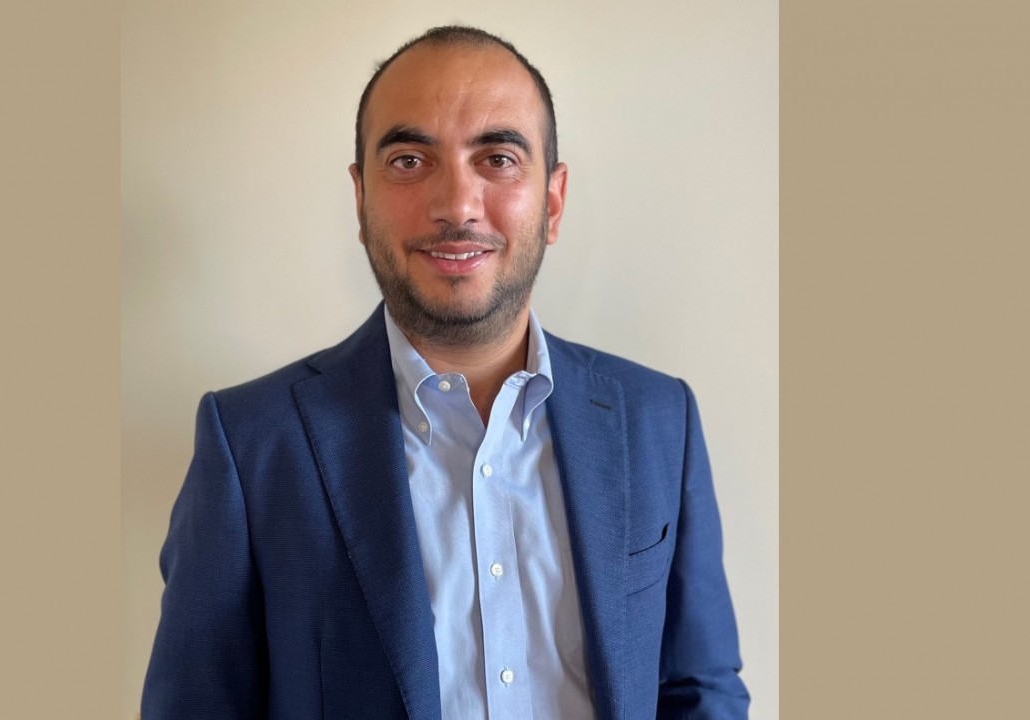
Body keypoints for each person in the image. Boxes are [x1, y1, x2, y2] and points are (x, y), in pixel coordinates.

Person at [142, 25, 749, 720]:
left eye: (498, 158)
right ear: (361, 200)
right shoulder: (251, 444)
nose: (457, 206)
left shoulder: (659, 420)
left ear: (552, 202)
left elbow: (700, 691)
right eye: (409, 160)